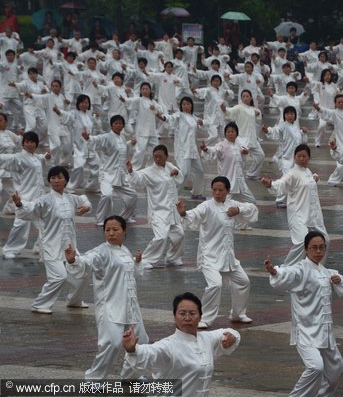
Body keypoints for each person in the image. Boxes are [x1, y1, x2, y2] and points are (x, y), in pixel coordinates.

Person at [265, 231, 343, 397]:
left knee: (337, 368)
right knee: (316, 367)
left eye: (321, 248)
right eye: (314, 248)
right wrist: (275, 272)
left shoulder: (326, 271)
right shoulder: (301, 270)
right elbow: (287, 273)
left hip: (325, 332)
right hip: (306, 331)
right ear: (305, 249)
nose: (318, 252)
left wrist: (339, 280)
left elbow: (342, 282)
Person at [65, 215, 148, 379]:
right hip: (110, 306)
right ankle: (94, 378)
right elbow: (87, 261)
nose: (111, 233)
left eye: (115, 229)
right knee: (112, 343)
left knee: (141, 342)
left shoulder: (125, 250)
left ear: (124, 231)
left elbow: (132, 273)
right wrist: (74, 260)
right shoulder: (101, 251)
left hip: (131, 307)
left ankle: (131, 375)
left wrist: (137, 262)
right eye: (107, 230)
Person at [122, 292, 240, 397]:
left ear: (200, 316)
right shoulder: (168, 346)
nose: (187, 318)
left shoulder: (207, 339)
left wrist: (232, 337)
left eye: (192, 313)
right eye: (182, 313)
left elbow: (231, 332)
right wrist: (133, 350)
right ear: (175, 316)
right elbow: (150, 353)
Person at [177, 176, 258, 328]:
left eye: (221, 190)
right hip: (209, 256)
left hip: (228, 257)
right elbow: (194, 215)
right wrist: (183, 214)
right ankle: (205, 318)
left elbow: (252, 210)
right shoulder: (207, 206)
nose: (217, 193)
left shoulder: (232, 204)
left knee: (243, 282)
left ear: (228, 191)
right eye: (214, 190)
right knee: (215, 285)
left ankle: (238, 314)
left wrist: (238, 210)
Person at [13, 166, 91, 313]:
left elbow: (85, 200)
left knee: (83, 272)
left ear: (66, 180)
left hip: (70, 246)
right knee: (59, 276)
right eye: (53, 178)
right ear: (49, 180)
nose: (56, 180)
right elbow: (29, 209)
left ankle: (74, 301)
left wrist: (86, 207)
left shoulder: (71, 198)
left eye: (60, 177)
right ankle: (40, 304)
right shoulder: (45, 200)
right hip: (51, 245)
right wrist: (19, 204)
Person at [261, 144, 328, 266]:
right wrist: (270, 184)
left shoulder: (308, 172)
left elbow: (308, 183)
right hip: (298, 214)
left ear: (309, 157)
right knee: (302, 241)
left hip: (314, 214)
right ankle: (286, 269)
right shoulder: (292, 173)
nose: (302, 158)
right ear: (295, 157)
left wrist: (314, 178)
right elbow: (281, 184)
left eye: (304, 156)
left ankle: (317, 268)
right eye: (299, 156)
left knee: (325, 240)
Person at [128, 145, 184, 269]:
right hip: (158, 211)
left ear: (166, 157)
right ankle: (145, 259)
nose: (158, 159)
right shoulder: (149, 172)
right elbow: (138, 178)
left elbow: (180, 179)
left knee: (179, 234)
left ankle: (172, 258)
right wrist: (131, 172)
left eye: (160, 157)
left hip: (172, 210)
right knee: (161, 236)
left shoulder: (170, 166)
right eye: (155, 157)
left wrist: (177, 173)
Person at [0, 132, 48, 259]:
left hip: (39, 196)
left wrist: (46, 157)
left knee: (43, 223)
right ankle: (10, 249)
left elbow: (41, 158)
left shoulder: (36, 157)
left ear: (36, 144)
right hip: (24, 197)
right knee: (20, 224)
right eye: (27, 142)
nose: (29, 144)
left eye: (32, 142)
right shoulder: (18, 158)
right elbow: (5, 158)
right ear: (23, 144)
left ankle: (40, 246)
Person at [83, 114, 137, 226]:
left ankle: (124, 217)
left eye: (121, 123)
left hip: (120, 174)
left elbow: (123, 148)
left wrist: (130, 143)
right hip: (107, 173)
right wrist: (89, 138)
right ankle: (101, 219)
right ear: (112, 125)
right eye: (116, 123)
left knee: (132, 195)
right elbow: (97, 140)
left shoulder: (122, 138)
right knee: (107, 195)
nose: (118, 125)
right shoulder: (107, 137)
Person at [161, 97, 207, 200]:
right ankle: (171, 194)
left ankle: (197, 193)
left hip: (193, 150)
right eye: (184, 104)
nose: (186, 106)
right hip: (183, 150)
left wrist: (202, 123)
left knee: (199, 171)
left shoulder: (194, 117)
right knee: (184, 173)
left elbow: (203, 126)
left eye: (188, 104)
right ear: (181, 106)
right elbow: (170, 118)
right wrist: (164, 117)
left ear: (192, 105)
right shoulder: (179, 115)